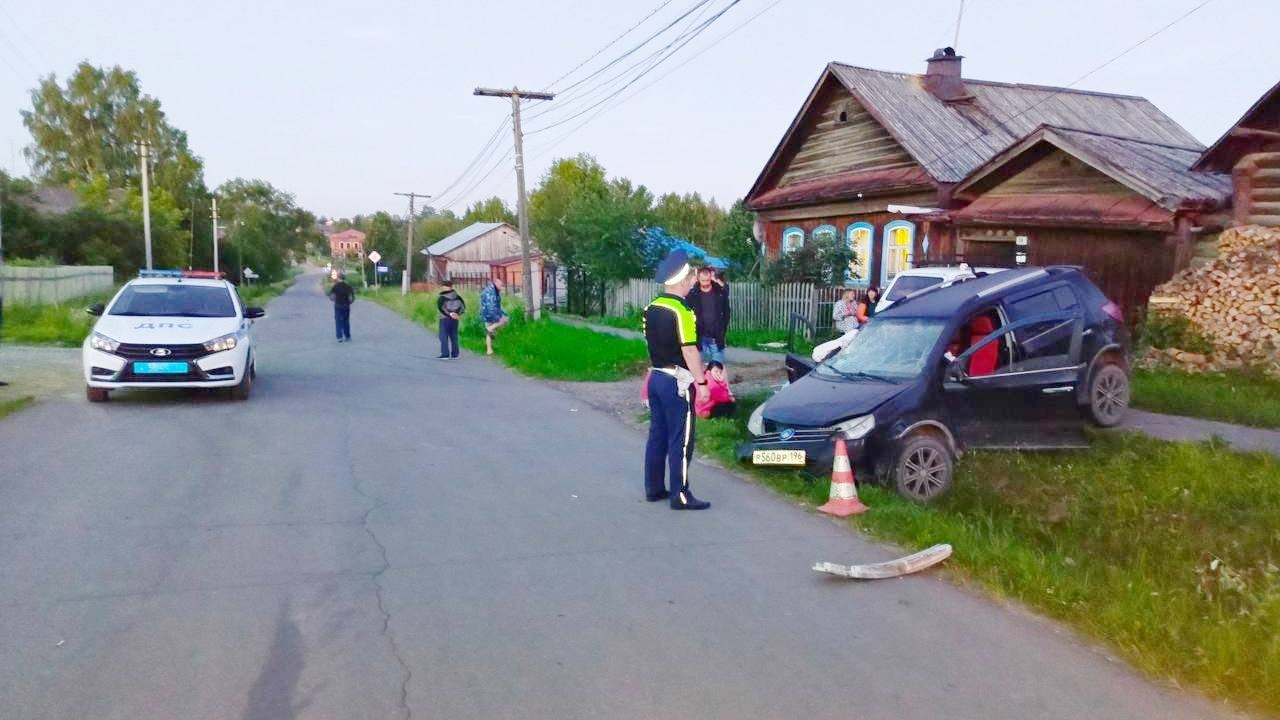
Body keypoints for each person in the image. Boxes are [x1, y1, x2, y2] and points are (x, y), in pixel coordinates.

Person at [642, 250, 711, 511]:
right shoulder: (682, 311)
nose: (694, 281)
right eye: (691, 276)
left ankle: (654, 488)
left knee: (657, 434)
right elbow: (690, 350)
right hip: (677, 382)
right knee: (681, 440)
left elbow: (650, 344)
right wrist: (702, 384)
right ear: (683, 278)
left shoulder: (651, 308)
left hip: (656, 377)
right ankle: (680, 495)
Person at [686, 265, 730, 368]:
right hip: (699, 338)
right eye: (702, 280)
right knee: (699, 369)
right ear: (698, 279)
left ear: (711, 278)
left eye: (707, 280)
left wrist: (723, 328)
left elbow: (727, 312)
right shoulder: (693, 294)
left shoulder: (719, 293)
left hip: (716, 337)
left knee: (718, 369)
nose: (705, 283)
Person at [479, 276, 509, 356]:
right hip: (490, 314)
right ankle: (491, 328)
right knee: (505, 319)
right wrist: (498, 317)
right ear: (495, 283)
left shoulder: (493, 290)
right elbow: (491, 306)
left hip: (485, 313)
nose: (501, 287)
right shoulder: (491, 292)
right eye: (501, 285)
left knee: (490, 332)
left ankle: (489, 350)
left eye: (502, 285)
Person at [436, 278, 465, 359]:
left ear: (446, 287)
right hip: (455, 319)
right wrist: (457, 314)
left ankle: (445, 354)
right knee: (454, 336)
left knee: (443, 336)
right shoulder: (458, 297)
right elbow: (463, 307)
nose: (442, 288)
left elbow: (441, 308)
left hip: (444, 319)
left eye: (443, 286)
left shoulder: (442, 297)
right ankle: (455, 354)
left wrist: (449, 314)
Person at [327, 272, 354, 342]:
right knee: (346, 321)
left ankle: (339, 337)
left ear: (338, 278)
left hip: (338, 306)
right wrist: (349, 302)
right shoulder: (348, 286)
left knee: (338, 321)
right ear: (344, 278)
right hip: (346, 306)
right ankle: (347, 336)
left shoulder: (335, 286)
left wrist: (334, 299)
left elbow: (331, 297)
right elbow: (351, 298)